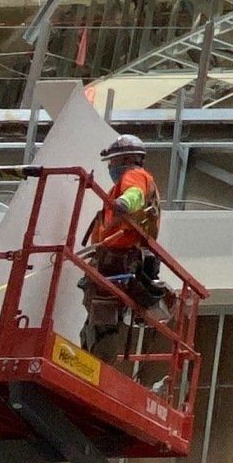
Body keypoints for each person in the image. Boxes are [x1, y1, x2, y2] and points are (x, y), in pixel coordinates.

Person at [80, 135, 166, 360]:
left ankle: (96, 360)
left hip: (118, 255)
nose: (111, 167)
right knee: (101, 309)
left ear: (126, 159)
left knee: (103, 307)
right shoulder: (147, 180)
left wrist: (124, 203)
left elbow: (134, 194)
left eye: (113, 162)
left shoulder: (134, 176)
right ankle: (93, 354)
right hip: (124, 255)